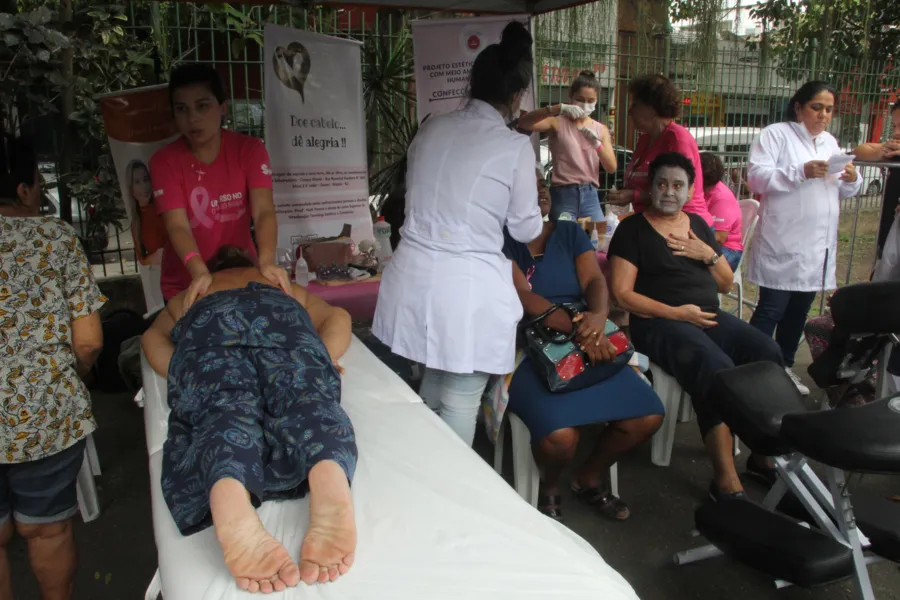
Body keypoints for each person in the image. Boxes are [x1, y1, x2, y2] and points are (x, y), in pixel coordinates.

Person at [141, 245, 356, 593]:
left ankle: (229, 486)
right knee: (306, 402)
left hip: (212, 328)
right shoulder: (276, 282)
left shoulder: (194, 291)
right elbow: (339, 318)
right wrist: (321, 358)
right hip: (281, 325)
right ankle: (326, 468)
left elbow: (151, 337)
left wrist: (184, 373)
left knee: (224, 410)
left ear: (213, 270)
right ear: (250, 265)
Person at [373, 21, 543, 446]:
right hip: (466, 287)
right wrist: (540, 206)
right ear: (517, 95)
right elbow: (525, 229)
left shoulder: (432, 126)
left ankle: (426, 482)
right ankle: (447, 498)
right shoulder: (513, 147)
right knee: (461, 398)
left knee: (432, 386)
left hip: (414, 276)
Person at [608, 152, 784, 501]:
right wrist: (677, 314)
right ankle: (725, 479)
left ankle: (762, 456)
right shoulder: (633, 230)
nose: (669, 191)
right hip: (659, 322)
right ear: (650, 187)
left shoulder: (699, 226)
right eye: (661, 183)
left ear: (690, 191)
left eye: (678, 185)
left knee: (766, 351)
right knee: (714, 366)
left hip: (704, 315)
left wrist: (708, 254)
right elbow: (622, 296)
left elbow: (723, 283)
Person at [501, 169, 664, 521]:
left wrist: (598, 316)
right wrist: (583, 331)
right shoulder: (501, 241)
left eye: (544, 186)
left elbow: (593, 279)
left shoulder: (569, 231)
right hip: (530, 345)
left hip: (587, 332)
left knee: (646, 416)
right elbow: (522, 297)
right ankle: (549, 482)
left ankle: (588, 474)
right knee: (560, 438)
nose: (543, 193)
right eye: (531, 189)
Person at [0, 135, 105, 600]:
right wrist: (71, 376)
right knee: (46, 531)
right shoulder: (54, 237)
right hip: (45, 413)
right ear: (23, 191)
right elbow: (88, 341)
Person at [746, 81, 862, 396]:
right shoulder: (775, 135)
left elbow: (842, 187)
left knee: (800, 310)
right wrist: (800, 171)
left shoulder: (829, 142)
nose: (823, 115)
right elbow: (756, 176)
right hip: (783, 240)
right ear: (799, 107)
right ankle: (750, 367)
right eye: (816, 107)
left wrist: (852, 178)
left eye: (828, 109)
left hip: (816, 245)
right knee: (771, 308)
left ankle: (783, 366)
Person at [150, 63, 290, 307]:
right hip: (186, 285)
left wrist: (267, 261)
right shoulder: (164, 162)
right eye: (182, 109)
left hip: (240, 276)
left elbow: (264, 211)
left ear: (222, 107)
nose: (192, 118)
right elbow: (177, 226)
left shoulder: (250, 150)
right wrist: (199, 270)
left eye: (202, 106)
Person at [606, 75, 714, 226]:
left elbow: (685, 194)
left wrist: (635, 196)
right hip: (653, 223)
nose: (630, 112)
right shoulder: (644, 139)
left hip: (684, 226)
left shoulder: (677, 139)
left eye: (634, 105)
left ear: (650, 108)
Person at [515, 70, 617, 222]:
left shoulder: (600, 129)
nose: (585, 104)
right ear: (571, 98)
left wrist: (597, 145)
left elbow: (611, 167)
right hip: (563, 194)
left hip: (590, 194)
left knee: (597, 241)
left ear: (596, 101)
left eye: (590, 100)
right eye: (580, 99)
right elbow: (524, 123)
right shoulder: (557, 122)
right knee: (563, 240)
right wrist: (558, 108)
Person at [853, 99, 900, 260]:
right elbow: (859, 151)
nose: (896, 132)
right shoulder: (895, 150)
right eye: (894, 126)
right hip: (890, 236)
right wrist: (880, 152)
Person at [699, 153, 744, 271]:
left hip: (728, 249)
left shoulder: (721, 197)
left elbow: (719, 238)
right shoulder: (701, 192)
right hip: (709, 244)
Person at [126, 159, 167, 266]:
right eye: (137, 182)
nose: (144, 186)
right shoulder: (136, 223)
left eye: (146, 179)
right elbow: (142, 259)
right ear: (131, 189)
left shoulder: (165, 210)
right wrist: (152, 258)